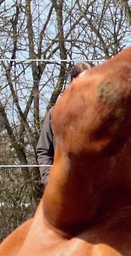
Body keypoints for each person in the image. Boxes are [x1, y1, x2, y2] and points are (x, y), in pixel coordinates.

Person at [35, 61, 93, 192]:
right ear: (73, 81)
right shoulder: (55, 114)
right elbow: (43, 150)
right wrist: (49, 179)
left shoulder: (104, 115)